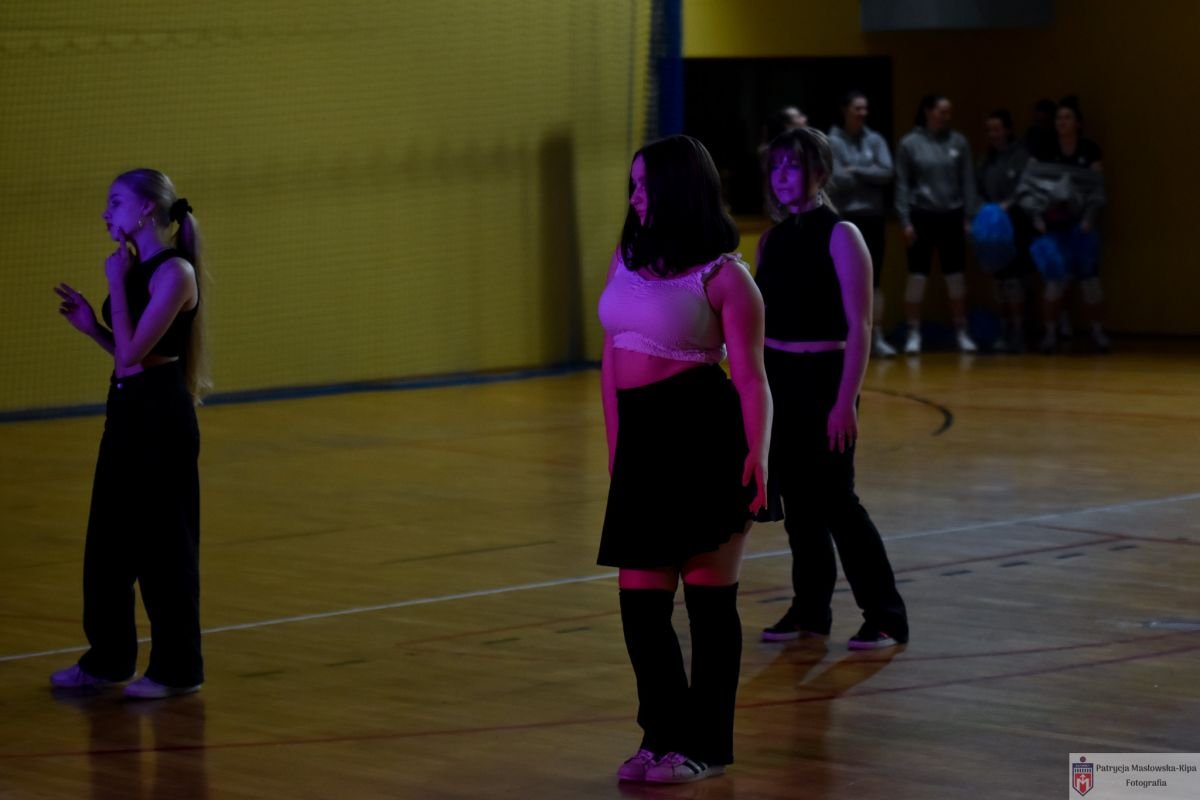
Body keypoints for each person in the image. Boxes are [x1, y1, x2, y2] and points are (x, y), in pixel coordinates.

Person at [597, 135, 772, 783]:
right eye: (633, 184)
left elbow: (752, 378)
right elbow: (611, 357)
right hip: (642, 443)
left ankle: (705, 746)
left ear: (679, 188)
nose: (636, 197)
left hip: (705, 439)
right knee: (642, 608)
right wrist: (617, 447)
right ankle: (660, 737)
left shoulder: (726, 277)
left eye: (646, 185)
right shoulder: (627, 258)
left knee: (708, 605)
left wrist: (760, 455)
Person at [52, 168, 209, 700]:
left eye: (116, 202)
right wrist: (91, 328)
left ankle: (178, 670)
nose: (106, 212)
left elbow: (133, 356)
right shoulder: (138, 268)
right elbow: (127, 358)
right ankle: (108, 661)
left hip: (161, 420)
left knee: (164, 551)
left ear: (146, 209)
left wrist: (116, 284)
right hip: (126, 410)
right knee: (108, 547)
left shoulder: (176, 272)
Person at [754, 127, 909, 651]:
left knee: (838, 502)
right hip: (779, 379)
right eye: (776, 167)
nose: (782, 176)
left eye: (794, 166)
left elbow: (860, 325)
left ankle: (886, 616)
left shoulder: (843, 234)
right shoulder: (771, 240)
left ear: (820, 172)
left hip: (825, 379)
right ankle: (810, 610)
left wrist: (845, 401)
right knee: (798, 505)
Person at [1015, 96, 1108, 353]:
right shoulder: (1044, 148)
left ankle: (1098, 332)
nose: (1062, 122)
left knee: (1090, 282)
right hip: (1052, 226)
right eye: (1058, 118)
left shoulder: (1090, 150)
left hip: (1081, 226)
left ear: (1078, 123)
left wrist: (1089, 219)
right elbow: (1027, 186)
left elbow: (1097, 189)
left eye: (1067, 118)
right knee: (1054, 282)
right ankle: (1050, 334)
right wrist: (1036, 216)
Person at [895, 94, 978, 354]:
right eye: (942, 112)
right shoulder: (909, 143)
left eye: (949, 112)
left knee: (956, 277)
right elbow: (902, 184)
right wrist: (905, 220)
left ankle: (962, 332)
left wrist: (969, 216)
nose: (947, 117)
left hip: (952, 215)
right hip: (921, 215)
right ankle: (913, 333)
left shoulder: (959, 142)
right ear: (928, 112)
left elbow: (968, 181)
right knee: (917, 276)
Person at [827, 90, 896, 357]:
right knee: (843, 279)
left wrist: (855, 170)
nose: (862, 113)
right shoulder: (832, 140)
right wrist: (869, 173)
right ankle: (845, 337)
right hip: (845, 219)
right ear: (845, 110)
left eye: (865, 108)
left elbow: (887, 172)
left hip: (873, 217)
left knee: (874, 280)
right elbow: (835, 179)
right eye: (857, 108)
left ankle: (876, 337)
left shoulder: (875, 139)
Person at [975, 109, 1033, 351]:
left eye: (997, 129)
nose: (994, 134)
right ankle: (1003, 329)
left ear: (1008, 130)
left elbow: (1025, 187)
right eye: (990, 130)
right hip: (993, 231)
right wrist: (985, 210)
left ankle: (1019, 331)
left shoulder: (1021, 156)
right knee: (999, 282)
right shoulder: (986, 160)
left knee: (1014, 281)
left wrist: (1007, 206)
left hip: (1015, 225)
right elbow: (977, 190)